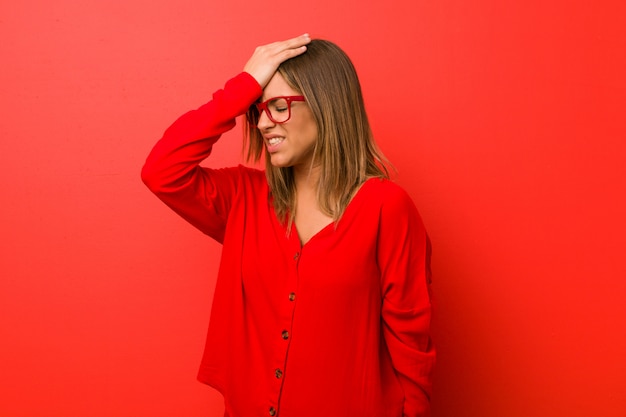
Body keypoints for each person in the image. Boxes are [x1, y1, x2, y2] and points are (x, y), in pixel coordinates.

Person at [141, 34, 435, 417]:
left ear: (326, 106)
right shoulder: (242, 200)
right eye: (257, 110)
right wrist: (242, 86)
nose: (263, 123)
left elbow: (411, 342)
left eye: (278, 106)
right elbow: (161, 171)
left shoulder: (386, 208)